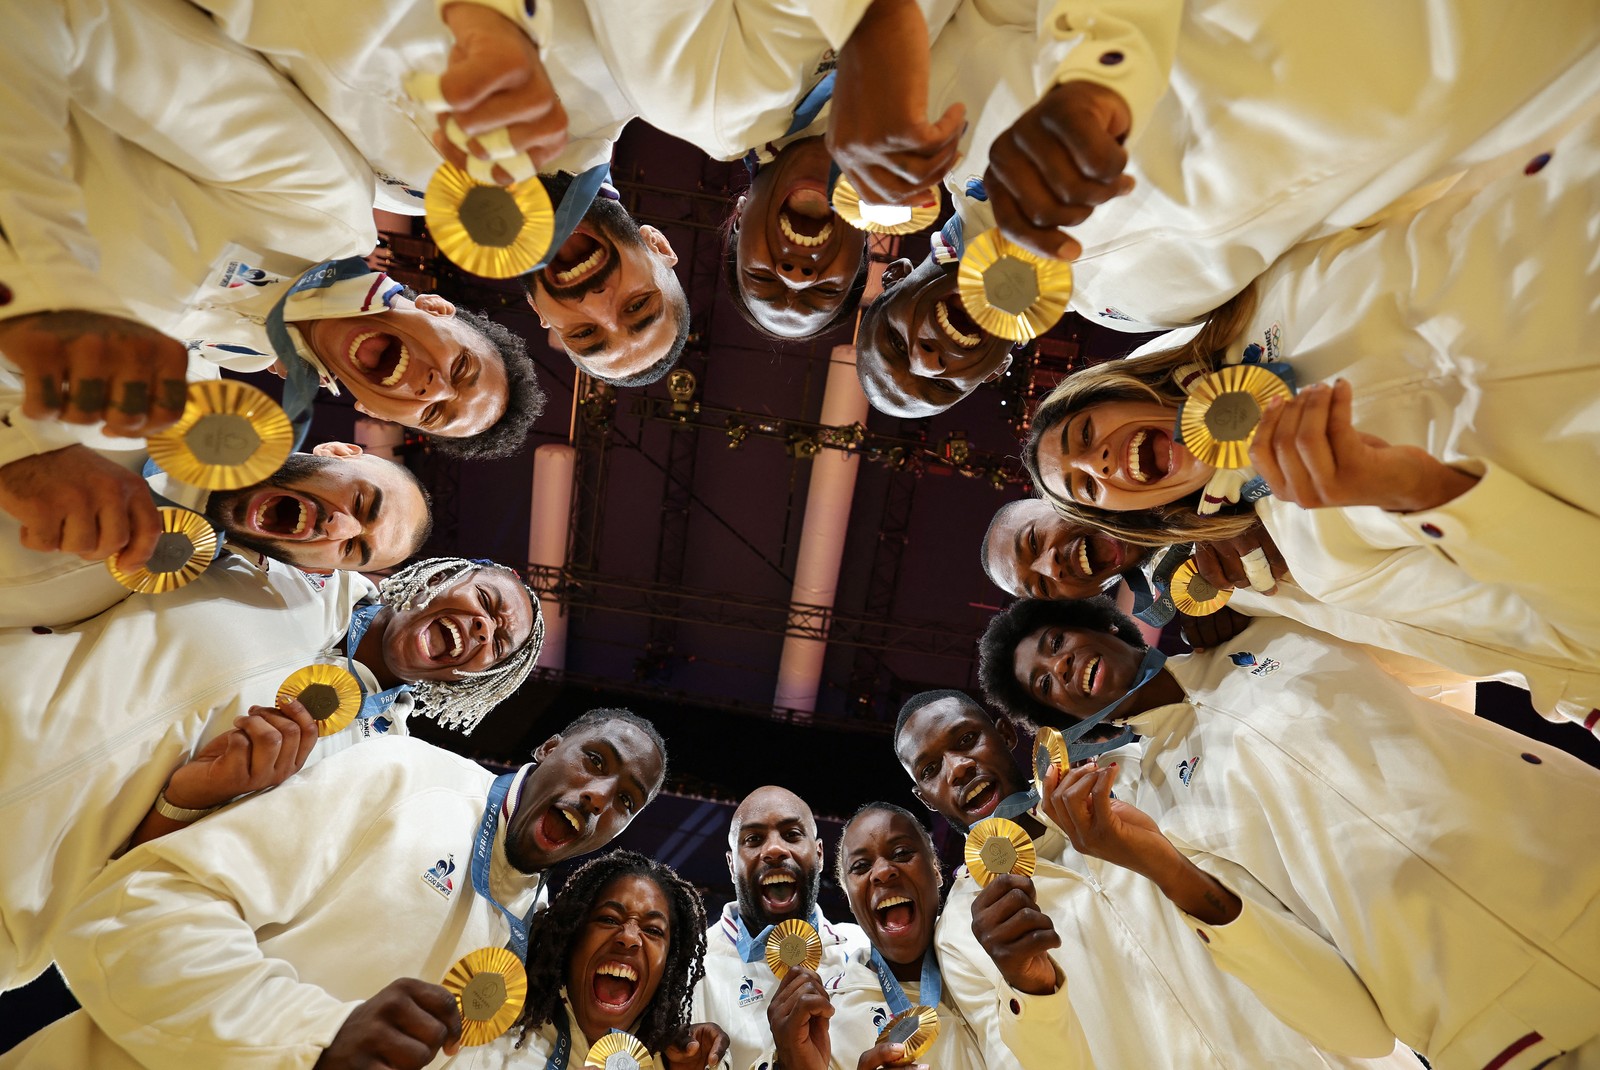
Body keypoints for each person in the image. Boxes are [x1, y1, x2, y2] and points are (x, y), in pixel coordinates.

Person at [1019, 109, 1600, 728]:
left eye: (1084, 435)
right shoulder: (1314, 561)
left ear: (1121, 390)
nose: (1097, 463)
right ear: (1136, 516)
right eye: (1088, 488)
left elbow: (1419, 149)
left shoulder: (1268, 288)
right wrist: (1416, 492)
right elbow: (1505, 627)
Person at [977, 600, 1600, 1069]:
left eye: (1056, 641)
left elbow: (1463, 654)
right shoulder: (1151, 817)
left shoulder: (1275, 624)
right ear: (1067, 722)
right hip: (1498, 1036)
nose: (1058, 665)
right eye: (1044, 684)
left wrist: (1282, 588)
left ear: (1107, 627)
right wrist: (1159, 864)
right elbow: (1353, 1029)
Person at [3, 711, 667, 1068]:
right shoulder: (406, 775)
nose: (598, 796)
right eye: (594, 761)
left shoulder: (536, 941)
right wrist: (319, 1039)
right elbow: (141, 904)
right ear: (549, 747)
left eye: (626, 801)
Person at [0, 554, 541, 992]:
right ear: (442, 578)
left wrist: (183, 804)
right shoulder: (288, 571)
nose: (480, 627)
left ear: (478, 677)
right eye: (485, 602)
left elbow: (195, 875)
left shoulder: (376, 768)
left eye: (495, 643)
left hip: (22, 905)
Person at [968, 2, 1600, 336]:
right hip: (1503, 95)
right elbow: (1307, 254)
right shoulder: (1134, 314)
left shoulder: (961, 138)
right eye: (938, 393)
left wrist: (1095, 72)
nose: (933, 361)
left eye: (894, 345)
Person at [893, 688, 1422, 1068]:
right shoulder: (964, 931)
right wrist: (1029, 990)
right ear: (925, 797)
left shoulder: (1136, 779)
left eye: (966, 741)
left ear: (1006, 734)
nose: (957, 769)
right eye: (931, 769)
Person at [0, 438, 432, 629]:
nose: (337, 526)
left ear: (320, 569)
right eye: (360, 502)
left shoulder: (142, 592)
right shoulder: (170, 383)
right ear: (337, 453)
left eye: (353, 549)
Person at [455, 850, 723, 1070]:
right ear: (573, 935)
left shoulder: (679, 1063)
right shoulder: (493, 1037)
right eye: (608, 919)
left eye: (652, 930)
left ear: (668, 964)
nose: (629, 937)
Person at [692, 785, 869, 1070]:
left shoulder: (864, 948)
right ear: (730, 864)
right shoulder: (691, 964)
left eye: (791, 835)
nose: (774, 849)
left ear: (820, 854)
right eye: (753, 839)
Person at [808, 802, 988, 1070]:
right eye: (860, 866)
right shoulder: (831, 1022)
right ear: (848, 896)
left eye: (902, 853)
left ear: (935, 869)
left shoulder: (987, 955)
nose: (882, 872)